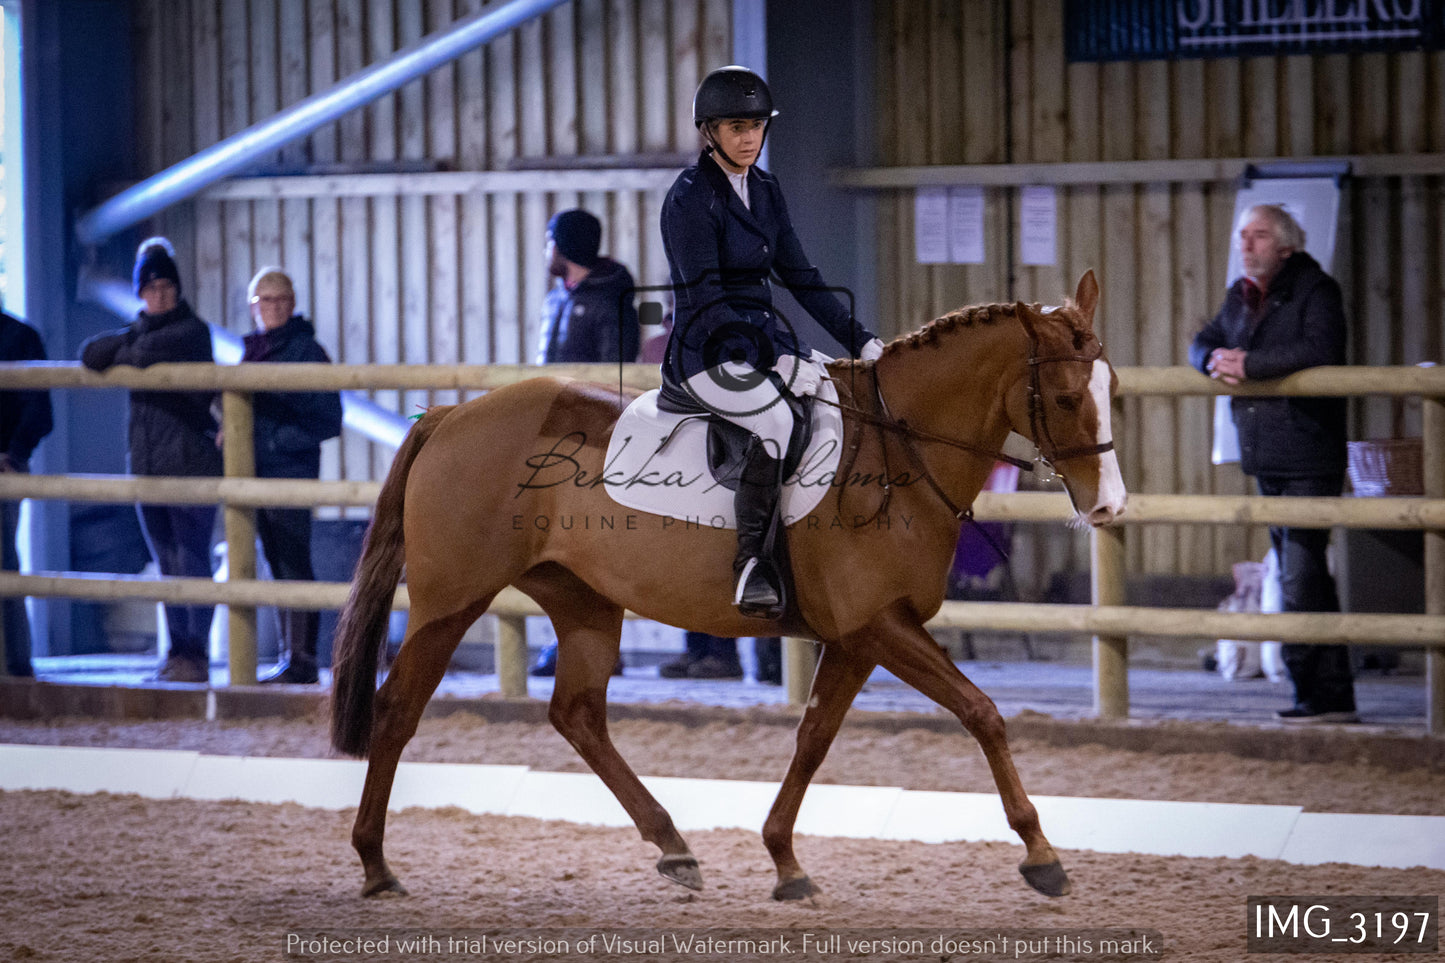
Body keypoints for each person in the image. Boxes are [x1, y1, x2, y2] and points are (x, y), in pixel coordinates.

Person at [660, 65, 884, 619]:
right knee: (778, 423)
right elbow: (708, 301)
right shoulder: (690, 200)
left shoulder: (764, 189)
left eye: (757, 126)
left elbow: (802, 277)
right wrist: (778, 359)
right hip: (705, 352)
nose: (749, 137)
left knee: (837, 404)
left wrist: (864, 342)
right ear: (709, 131)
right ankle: (752, 568)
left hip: (762, 341)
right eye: (736, 126)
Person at [1189, 203, 1356, 724]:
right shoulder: (1240, 296)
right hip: (1267, 455)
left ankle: (1316, 692)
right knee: (1300, 575)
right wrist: (1212, 360)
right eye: (1243, 236)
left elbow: (1321, 348)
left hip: (1308, 451)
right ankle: (1329, 696)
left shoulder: (1316, 290)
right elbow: (1204, 339)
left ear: (1286, 245)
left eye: (1258, 236)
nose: (1246, 245)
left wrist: (1250, 365)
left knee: (1302, 576)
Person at [81, 238, 221, 683]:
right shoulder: (142, 331)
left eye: (166, 286)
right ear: (141, 293)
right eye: (151, 287)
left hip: (189, 460)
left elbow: (137, 355)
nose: (159, 294)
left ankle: (194, 654)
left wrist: (129, 347)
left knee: (191, 559)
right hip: (148, 463)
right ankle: (178, 652)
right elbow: (91, 355)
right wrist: (130, 341)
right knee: (167, 563)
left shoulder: (191, 331)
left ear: (177, 290)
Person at [529, 209, 639, 677]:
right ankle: (569, 638)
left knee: (592, 540)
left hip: (591, 435)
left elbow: (615, 366)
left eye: (549, 239)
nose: (545, 249)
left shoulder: (610, 299)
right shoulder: (559, 296)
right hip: (555, 430)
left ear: (564, 246)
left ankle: (600, 644)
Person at [234, 267, 343, 684]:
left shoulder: (307, 352)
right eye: (265, 300)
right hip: (260, 470)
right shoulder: (254, 351)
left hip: (289, 468)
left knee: (292, 557)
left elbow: (328, 418)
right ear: (253, 307)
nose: (273, 307)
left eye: (280, 300)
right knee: (275, 558)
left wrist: (276, 442)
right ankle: (292, 655)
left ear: (293, 304)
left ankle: (301, 658)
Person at [0, 307, 53, 677]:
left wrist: (14, 454)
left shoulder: (19, 337)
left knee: (4, 561)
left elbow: (39, 409)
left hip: (4, 467)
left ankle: (16, 664)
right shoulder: (20, 335)